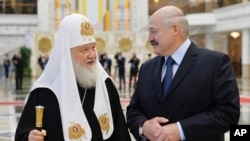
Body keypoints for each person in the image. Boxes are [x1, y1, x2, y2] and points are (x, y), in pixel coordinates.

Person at [126, 6, 240, 141]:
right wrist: (143, 126)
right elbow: (133, 110)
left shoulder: (215, 63)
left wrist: (180, 130)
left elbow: (227, 113)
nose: (149, 38)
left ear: (175, 29)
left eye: (154, 31)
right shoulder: (147, 68)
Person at [15, 13, 131, 141]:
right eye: (84, 50)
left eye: (93, 48)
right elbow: (23, 134)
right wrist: (29, 137)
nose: (92, 55)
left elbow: (121, 133)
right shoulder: (44, 92)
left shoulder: (106, 85)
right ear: (67, 53)